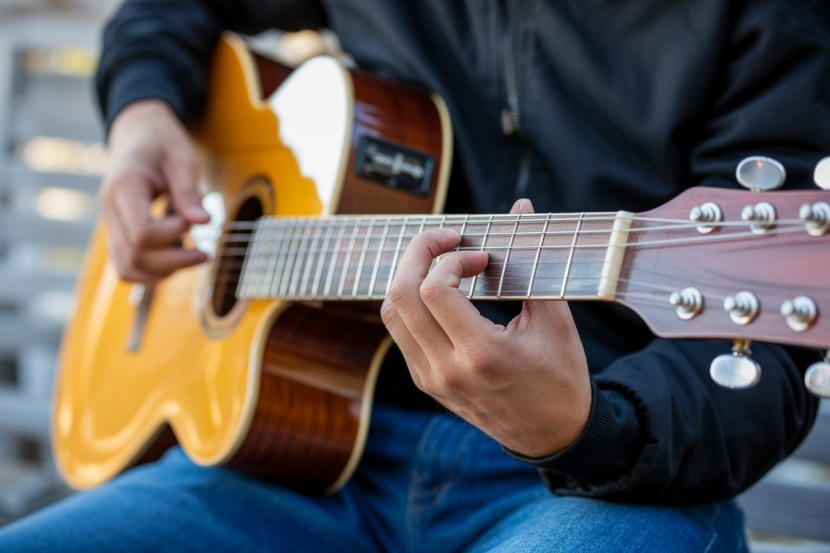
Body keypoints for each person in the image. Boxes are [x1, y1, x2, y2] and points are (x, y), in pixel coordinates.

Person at [2, 1, 829, 551]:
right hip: (302, 453)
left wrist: (588, 428)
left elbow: (761, 365)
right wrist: (143, 111)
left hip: (593, 486)